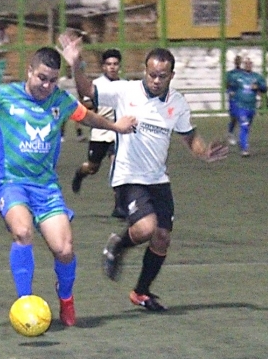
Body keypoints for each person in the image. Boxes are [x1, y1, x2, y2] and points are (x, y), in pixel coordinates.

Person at [0, 47, 137, 327]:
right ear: (29, 71)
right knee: (23, 231)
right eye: (41, 78)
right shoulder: (4, 96)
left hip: (45, 187)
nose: (47, 86)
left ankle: (66, 298)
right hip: (9, 182)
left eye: (52, 80)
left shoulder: (60, 101)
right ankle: (25, 302)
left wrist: (116, 127)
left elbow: (86, 116)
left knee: (64, 249)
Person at [58, 33, 228, 312]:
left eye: (162, 76)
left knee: (162, 237)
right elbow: (87, 91)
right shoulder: (126, 91)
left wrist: (204, 152)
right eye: (152, 74)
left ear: (171, 75)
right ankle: (119, 244)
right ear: (144, 71)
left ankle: (141, 292)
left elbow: (189, 137)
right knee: (146, 228)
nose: (156, 80)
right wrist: (76, 64)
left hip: (158, 179)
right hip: (128, 176)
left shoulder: (177, 103)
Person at [71, 48, 127, 218]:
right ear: (103, 67)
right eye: (109, 64)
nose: (112, 67)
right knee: (92, 167)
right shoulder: (95, 85)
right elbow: (86, 106)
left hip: (117, 133)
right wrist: (91, 104)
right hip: (100, 133)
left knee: (118, 166)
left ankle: (120, 206)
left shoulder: (125, 85)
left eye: (115, 64)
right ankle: (81, 173)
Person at [226, 57, 267, 157]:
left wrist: (258, 87)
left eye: (250, 63)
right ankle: (244, 149)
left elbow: (264, 88)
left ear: (252, 65)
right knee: (244, 126)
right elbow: (230, 86)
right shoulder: (237, 76)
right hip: (241, 106)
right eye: (246, 64)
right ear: (244, 65)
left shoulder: (257, 77)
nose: (248, 65)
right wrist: (231, 92)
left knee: (247, 127)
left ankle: (241, 142)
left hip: (251, 107)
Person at [225, 54, 244, 146]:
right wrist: (230, 92)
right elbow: (227, 85)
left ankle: (241, 136)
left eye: (239, 60)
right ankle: (230, 133)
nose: (238, 62)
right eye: (236, 60)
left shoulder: (244, 73)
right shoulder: (230, 73)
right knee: (234, 117)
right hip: (233, 98)